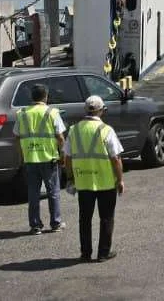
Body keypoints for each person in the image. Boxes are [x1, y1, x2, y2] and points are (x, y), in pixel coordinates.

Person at [64, 96, 124, 262]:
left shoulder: (74, 130)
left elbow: (67, 158)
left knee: (85, 219)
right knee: (106, 218)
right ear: (102, 111)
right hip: (106, 182)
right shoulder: (106, 130)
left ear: (85, 110)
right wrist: (120, 180)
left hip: (83, 182)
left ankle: (85, 253)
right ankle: (103, 253)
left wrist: (70, 177)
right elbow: (116, 158)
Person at [14, 84, 67, 235]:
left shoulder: (22, 113)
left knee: (33, 193)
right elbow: (60, 137)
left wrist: (22, 156)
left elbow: (17, 137)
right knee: (53, 192)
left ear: (32, 97)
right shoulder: (52, 112)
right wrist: (63, 156)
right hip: (49, 158)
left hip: (30, 158)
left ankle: (35, 225)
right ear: (46, 96)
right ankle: (56, 223)